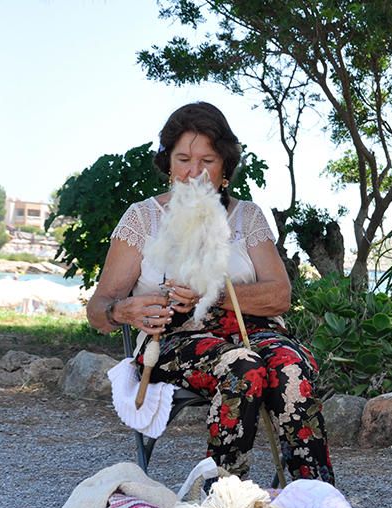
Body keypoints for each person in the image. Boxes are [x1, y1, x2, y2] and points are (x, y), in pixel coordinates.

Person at [87, 102, 334, 485]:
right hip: (174, 338)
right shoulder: (143, 218)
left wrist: (212, 294)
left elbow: (280, 296)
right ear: (168, 163)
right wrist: (124, 310)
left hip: (254, 329)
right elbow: (98, 309)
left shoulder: (246, 217)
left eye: (208, 159)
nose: (193, 171)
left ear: (224, 169)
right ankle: (224, 498)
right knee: (243, 368)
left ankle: (311, 497)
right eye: (183, 158)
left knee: (291, 367)